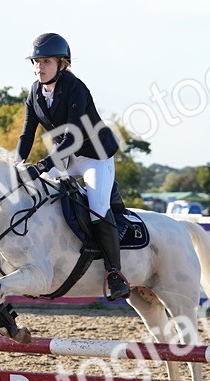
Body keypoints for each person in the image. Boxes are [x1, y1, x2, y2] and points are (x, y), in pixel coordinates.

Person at [15, 32, 129, 301]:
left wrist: (41, 166)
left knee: (97, 208)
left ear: (62, 63)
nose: (39, 67)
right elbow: (27, 135)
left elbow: (73, 137)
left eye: (46, 61)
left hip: (95, 156)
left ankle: (115, 273)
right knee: (39, 196)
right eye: (36, 62)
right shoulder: (34, 92)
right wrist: (15, 166)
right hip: (65, 157)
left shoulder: (75, 87)